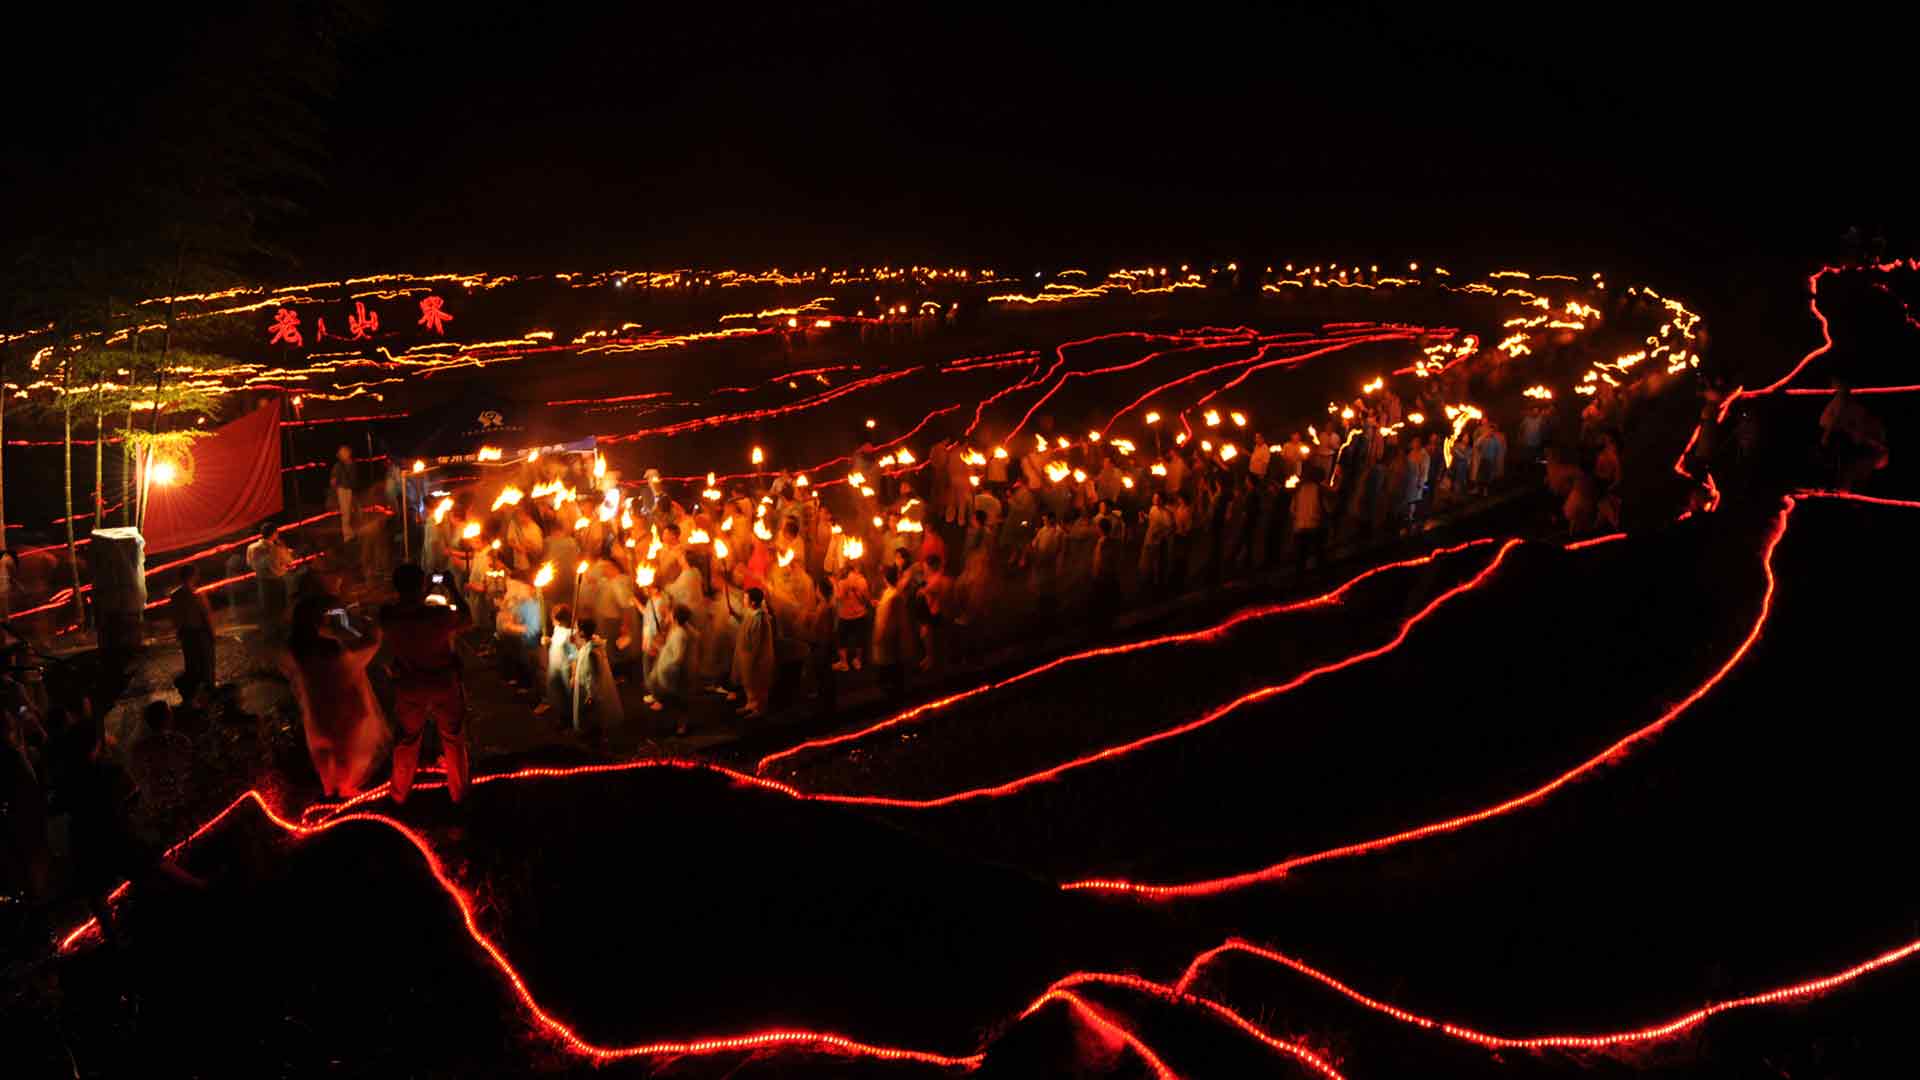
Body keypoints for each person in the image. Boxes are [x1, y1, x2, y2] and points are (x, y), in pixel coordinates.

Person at [52, 710, 204, 944]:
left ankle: (113, 938)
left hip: (85, 838)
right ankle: (196, 891)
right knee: (150, 864)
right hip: (115, 832)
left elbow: (58, 806)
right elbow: (133, 792)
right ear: (96, 745)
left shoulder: (67, 779)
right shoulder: (109, 770)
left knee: (96, 892)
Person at [380, 564, 470, 805]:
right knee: (453, 737)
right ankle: (459, 794)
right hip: (442, 682)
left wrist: (422, 590)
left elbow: (406, 610)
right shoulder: (438, 615)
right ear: (421, 585)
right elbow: (467, 618)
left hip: (409, 684)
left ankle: (399, 795)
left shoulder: (388, 615)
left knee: (407, 740)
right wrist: (452, 588)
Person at [283, 595, 387, 799]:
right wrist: (370, 623)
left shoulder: (297, 647)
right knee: (347, 750)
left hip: (317, 708)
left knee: (327, 752)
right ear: (317, 620)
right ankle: (345, 791)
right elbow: (366, 648)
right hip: (343, 707)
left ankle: (331, 790)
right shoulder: (329, 648)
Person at [167, 564, 216, 704]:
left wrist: (178, 631)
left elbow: (175, 616)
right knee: (206, 663)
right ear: (193, 576)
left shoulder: (175, 595)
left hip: (186, 633)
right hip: (200, 633)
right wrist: (212, 633)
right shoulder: (197, 594)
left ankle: (192, 693)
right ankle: (208, 693)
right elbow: (205, 615)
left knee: (191, 663)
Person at [569, 617, 623, 735]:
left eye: (576, 628)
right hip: (587, 687)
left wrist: (590, 695)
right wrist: (573, 644)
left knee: (592, 716)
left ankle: (594, 735)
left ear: (582, 633)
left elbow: (592, 676)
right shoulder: (591, 644)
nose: (574, 631)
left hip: (590, 691)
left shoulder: (591, 653)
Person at [646, 604, 694, 732]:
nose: (669, 615)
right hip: (670, 672)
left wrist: (667, 665)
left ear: (675, 617)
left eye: (671, 613)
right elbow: (670, 650)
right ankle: (678, 723)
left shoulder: (680, 634)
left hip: (675, 673)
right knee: (674, 699)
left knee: (679, 700)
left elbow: (677, 656)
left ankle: (682, 725)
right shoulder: (676, 631)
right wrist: (659, 648)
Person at [871, 563, 912, 702]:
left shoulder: (894, 596)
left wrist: (881, 636)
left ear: (885, 578)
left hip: (890, 642)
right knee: (888, 672)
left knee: (891, 675)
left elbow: (891, 620)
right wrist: (879, 604)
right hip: (887, 641)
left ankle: (894, 703)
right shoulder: (890, 593)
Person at [733, 587, 775, 719]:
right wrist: (734, 614)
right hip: (748, 655)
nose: (743, 600)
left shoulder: (759, 618)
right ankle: (750, 704)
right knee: (749, 682)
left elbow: (756, 642)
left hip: (756, 657)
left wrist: (752, 658)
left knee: (757, 683)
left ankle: (759, 709)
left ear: (753, 602)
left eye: (746, 598)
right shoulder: (750, 612)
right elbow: (745, 624)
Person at [247, 523, 294, 622]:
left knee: (266, 608)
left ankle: (270, 627)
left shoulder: (251, 547)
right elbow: (289, 561)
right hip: (277, 581)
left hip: (261, 581)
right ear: (274, 534)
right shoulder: (276, 548)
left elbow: (249, 563)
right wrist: (285, 550)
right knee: (279, 608)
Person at [1291, 464, 1329, 578]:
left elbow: (1292, 509)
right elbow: (1327, 508)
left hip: (1300, 527)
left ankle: (1299, 578)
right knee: (1318, 553)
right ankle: (1319, 578)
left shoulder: (1299, 489)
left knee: (1301, 556)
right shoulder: (1320, 490)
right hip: (1314, 526)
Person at [833, 561, 872, 671]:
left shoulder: (843, 582)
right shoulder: (862, 580)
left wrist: (835, 583)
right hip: (860, 614)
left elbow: (839, 597)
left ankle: (844, 663)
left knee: (841, 639)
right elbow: (866, 598)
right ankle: (857, 661)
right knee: (859, 638)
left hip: (845, 616)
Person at [543, 603, 577, 721]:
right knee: (555, 692)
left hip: (565, 668)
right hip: (554, 665)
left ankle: (569, 719)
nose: (552, 620)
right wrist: (548, 640)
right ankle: (560, 715)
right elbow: (555, 641)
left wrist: (573, 674)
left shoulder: (570, 634)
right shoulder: (557, 629)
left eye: (553, 618)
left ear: (560, 620)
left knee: (567, 694)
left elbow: (573, 655)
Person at [330, 445, 356, 544]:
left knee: (348, 512)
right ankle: (347, 536)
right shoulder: (338, 465)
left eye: (345, 452)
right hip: (342, 490)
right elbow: (333, 479)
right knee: (345, 513)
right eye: (342, 453)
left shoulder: (352, 464)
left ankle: (350, 533)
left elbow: (354, 478)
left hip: (349, 489)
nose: (343, 454)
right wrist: (334, 484)